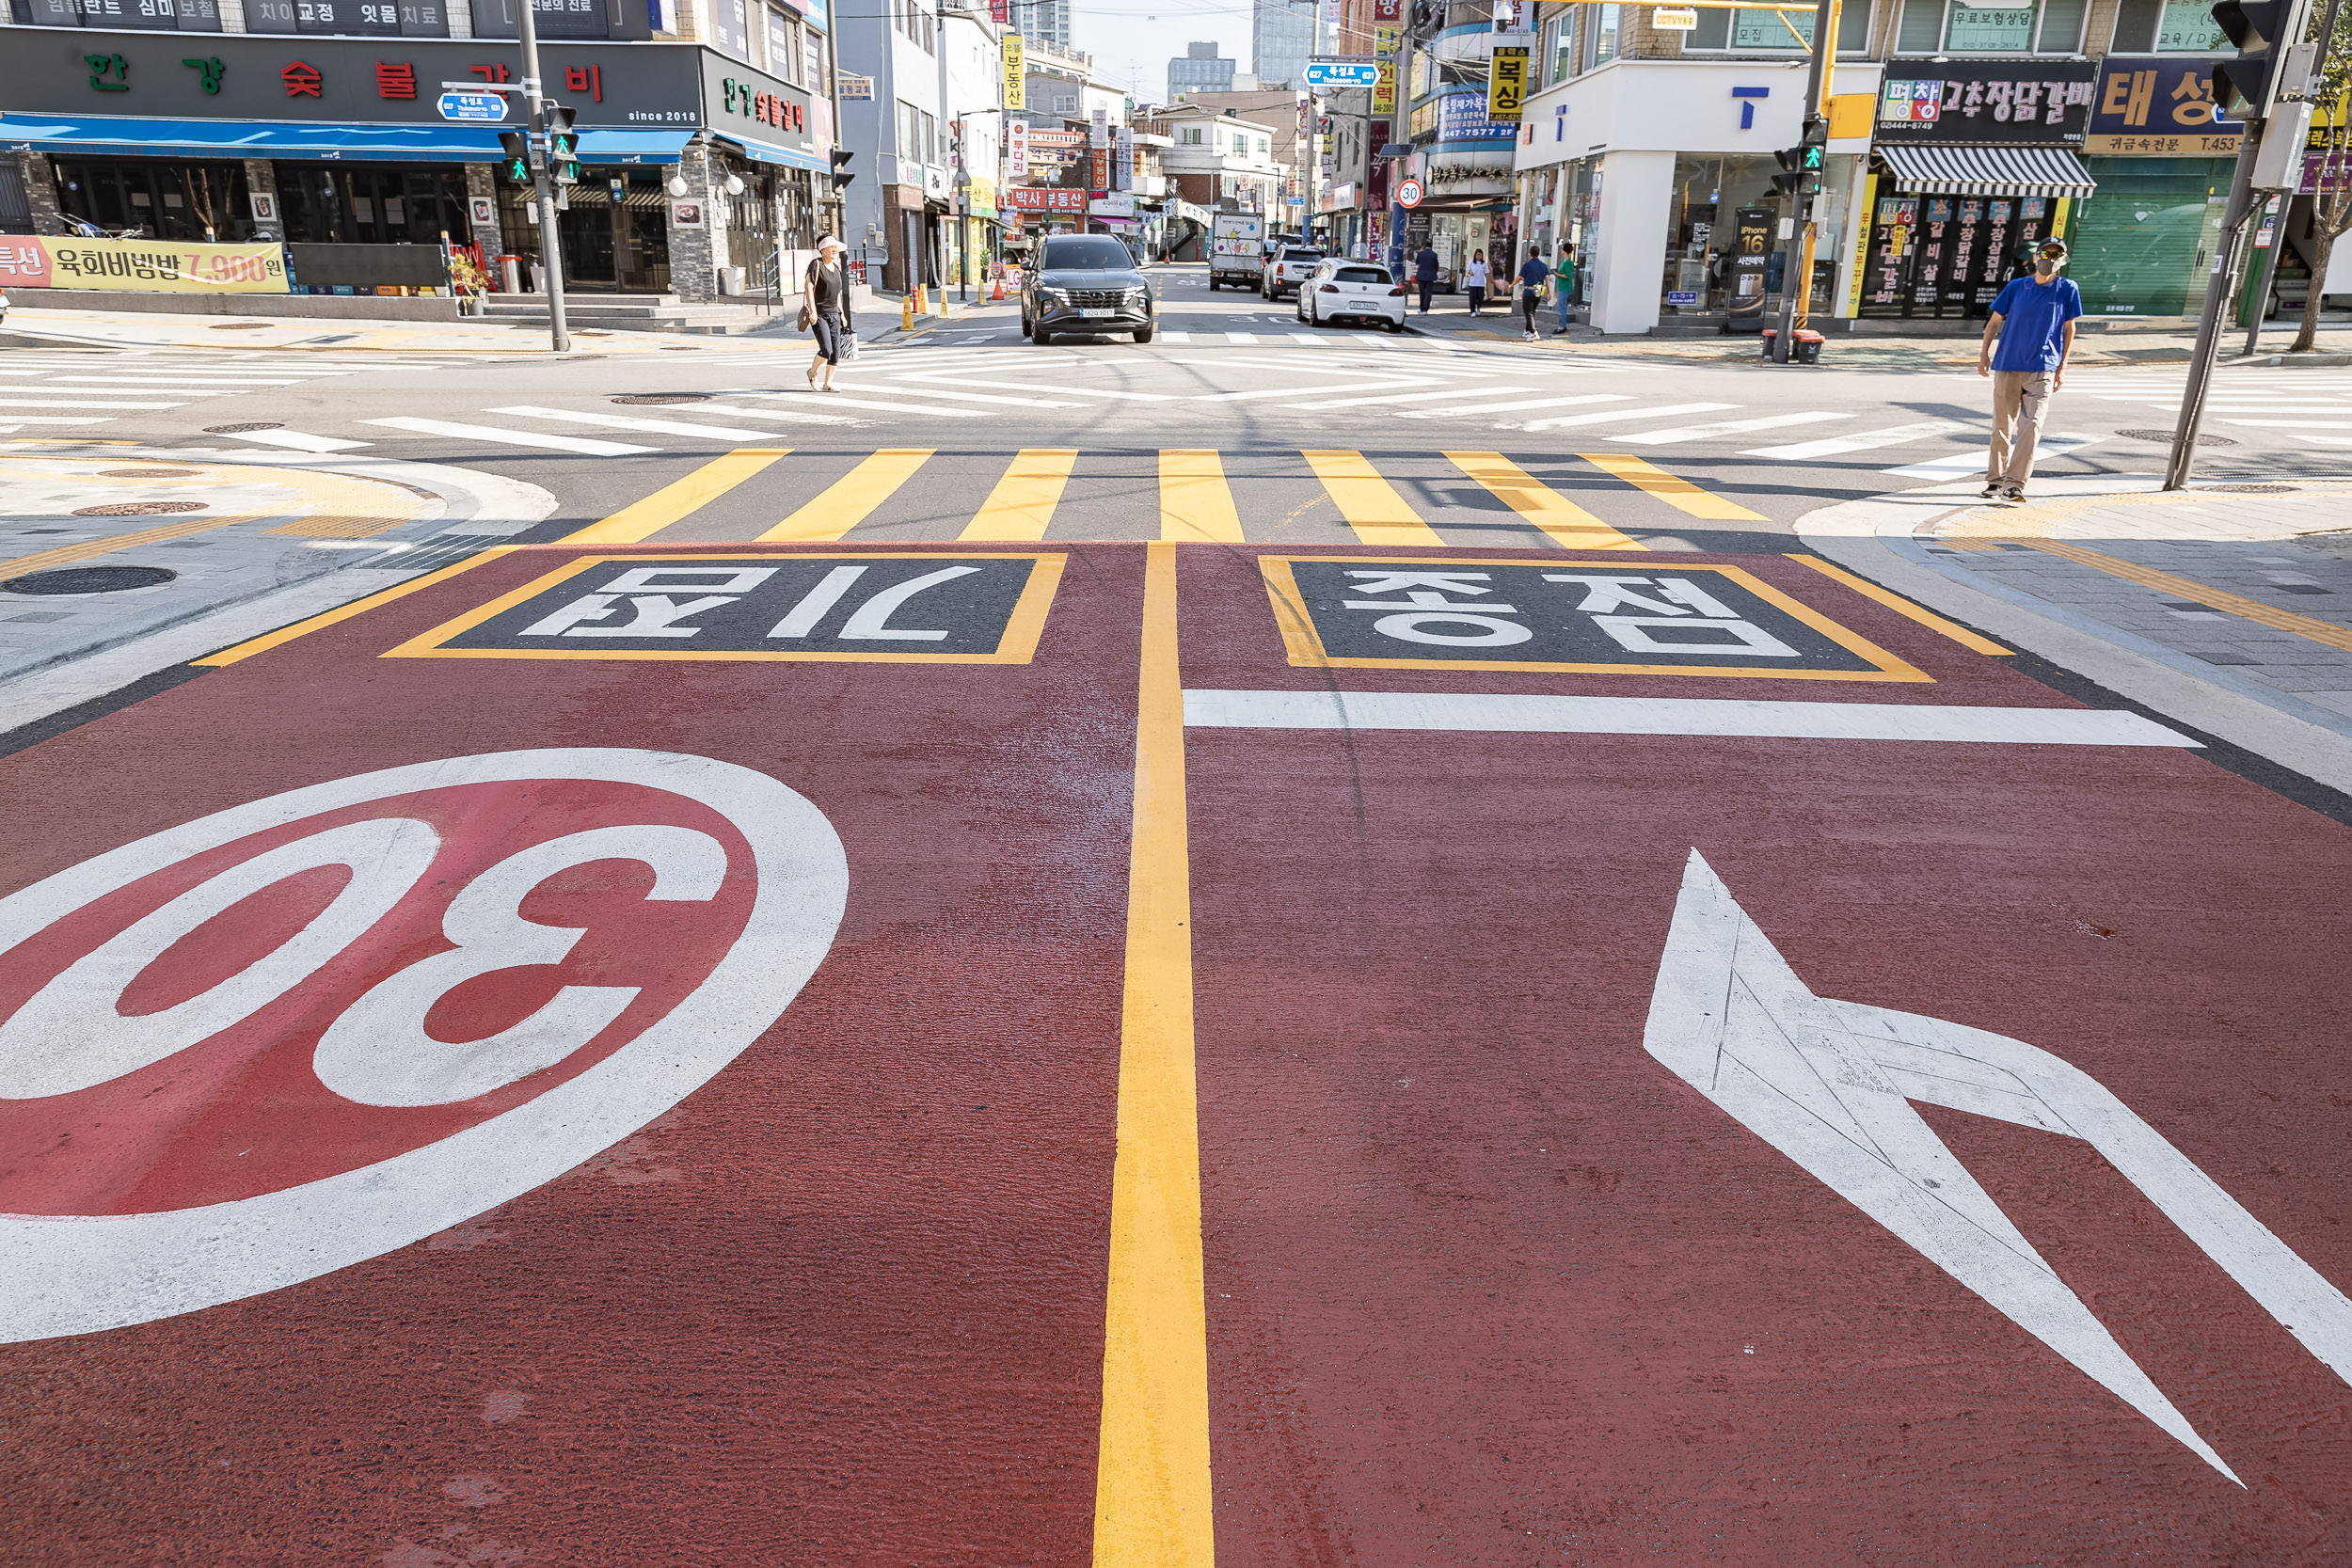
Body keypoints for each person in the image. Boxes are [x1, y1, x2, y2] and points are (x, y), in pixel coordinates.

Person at [1977, 237, 2081, 502]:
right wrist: (1983, 354)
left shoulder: (2067, 289)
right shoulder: (2016, 287)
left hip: (2043, 367)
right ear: (2035, 257)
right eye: (2045, 253)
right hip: (2008, 364)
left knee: (2031, 426)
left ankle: (2014, 484)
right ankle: (1995, 480)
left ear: (2064, 259)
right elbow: (1993, 322)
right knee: (2002, 427)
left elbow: (2070, 328)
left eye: (2057, 254)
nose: (2050, 258)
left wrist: (2063, 365)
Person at [804, 234, 852, 392]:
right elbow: (809, 288)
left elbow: (836, 294)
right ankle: (812, 372)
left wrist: (842, 314)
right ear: (822, 249)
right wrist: (812, 311)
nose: (834, 250)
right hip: (820, 314)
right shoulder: (816, 265)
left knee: (835, 351)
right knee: (826, 349)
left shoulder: (836, 268)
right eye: (831, 247)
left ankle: (828, 384)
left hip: (834, 314)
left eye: (835, 247)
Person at [1515, 246, 1549, 342]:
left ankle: (1533, 332)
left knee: (1528, 312)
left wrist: (1511, 285)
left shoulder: (1527, 265)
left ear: (1530, 253)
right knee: (1532, 311)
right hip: (1539, 289)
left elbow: (1519, 278)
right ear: (1538, 254)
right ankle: (1527, 331)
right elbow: (1547, 279)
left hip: (1529, 290)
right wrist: (1549, 292)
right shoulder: (1543, 265)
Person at [1553, 241, 1578, 336]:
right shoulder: (1564, 261)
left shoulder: (1567, 262)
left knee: (1562, 307)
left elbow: (1567, 275)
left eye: (1562, 248)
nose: (1561, 250)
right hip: (1562, 286)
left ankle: (1562, 326)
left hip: (1565, 287)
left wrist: (1557, 274)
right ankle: (1562, 325)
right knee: (1561, 307)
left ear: (1565, 251)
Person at [1414, 243, 1439, 314]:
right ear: (1432, 246)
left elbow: (1417, 262)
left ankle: (1421, 308)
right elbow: (1436, 265)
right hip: (1430, 276)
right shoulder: (1434, 254)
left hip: (1421, 276)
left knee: (1422, 293)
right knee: (1428, 293)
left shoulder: (1421, 254)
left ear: (1424, 246)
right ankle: (1425, 309)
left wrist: (1420, 251)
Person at [1464, 249, 1489, 317]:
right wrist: (1470, 272)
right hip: (1472, 283)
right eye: (1477, 255)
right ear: (1475, 255)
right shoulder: (1471, 262)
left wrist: (1487, 284)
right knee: (1472, 298)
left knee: (1480, 297)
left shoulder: (1484, 264)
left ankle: (1478, 307)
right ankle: (1472, 311)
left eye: (1480, 255)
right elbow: (1467, 271)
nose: (1479, 256)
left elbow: (1487, 274)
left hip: (1481, 284)